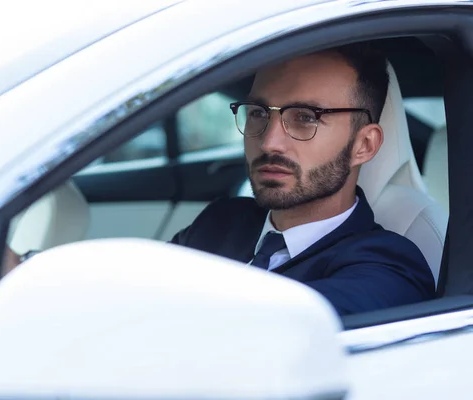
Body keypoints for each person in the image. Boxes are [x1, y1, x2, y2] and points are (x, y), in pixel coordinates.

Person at [170, 43, 435, 315]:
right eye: (259, 113)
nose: (269, 143)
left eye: (306, 117)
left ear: (363, 145)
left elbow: (271, 336)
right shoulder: (220, 221)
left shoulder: (388, 268)